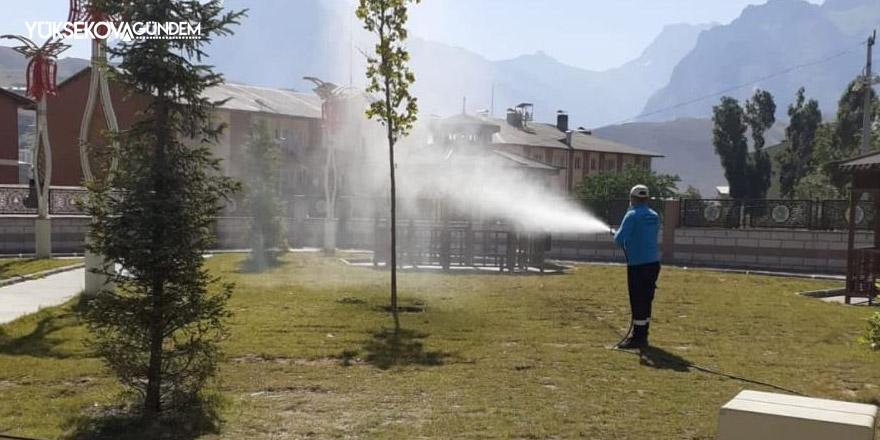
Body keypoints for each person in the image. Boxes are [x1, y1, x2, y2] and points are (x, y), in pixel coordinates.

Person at [612, 184, 661, 350]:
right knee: (647, 299)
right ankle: (643, 334)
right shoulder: (654, 215)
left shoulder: (631, 215)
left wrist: (617, 231)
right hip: (653, 263)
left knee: (637, 299)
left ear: (632, 198)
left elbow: (619, 239)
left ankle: (637, 339)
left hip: (638, 264)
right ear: (647, 199)